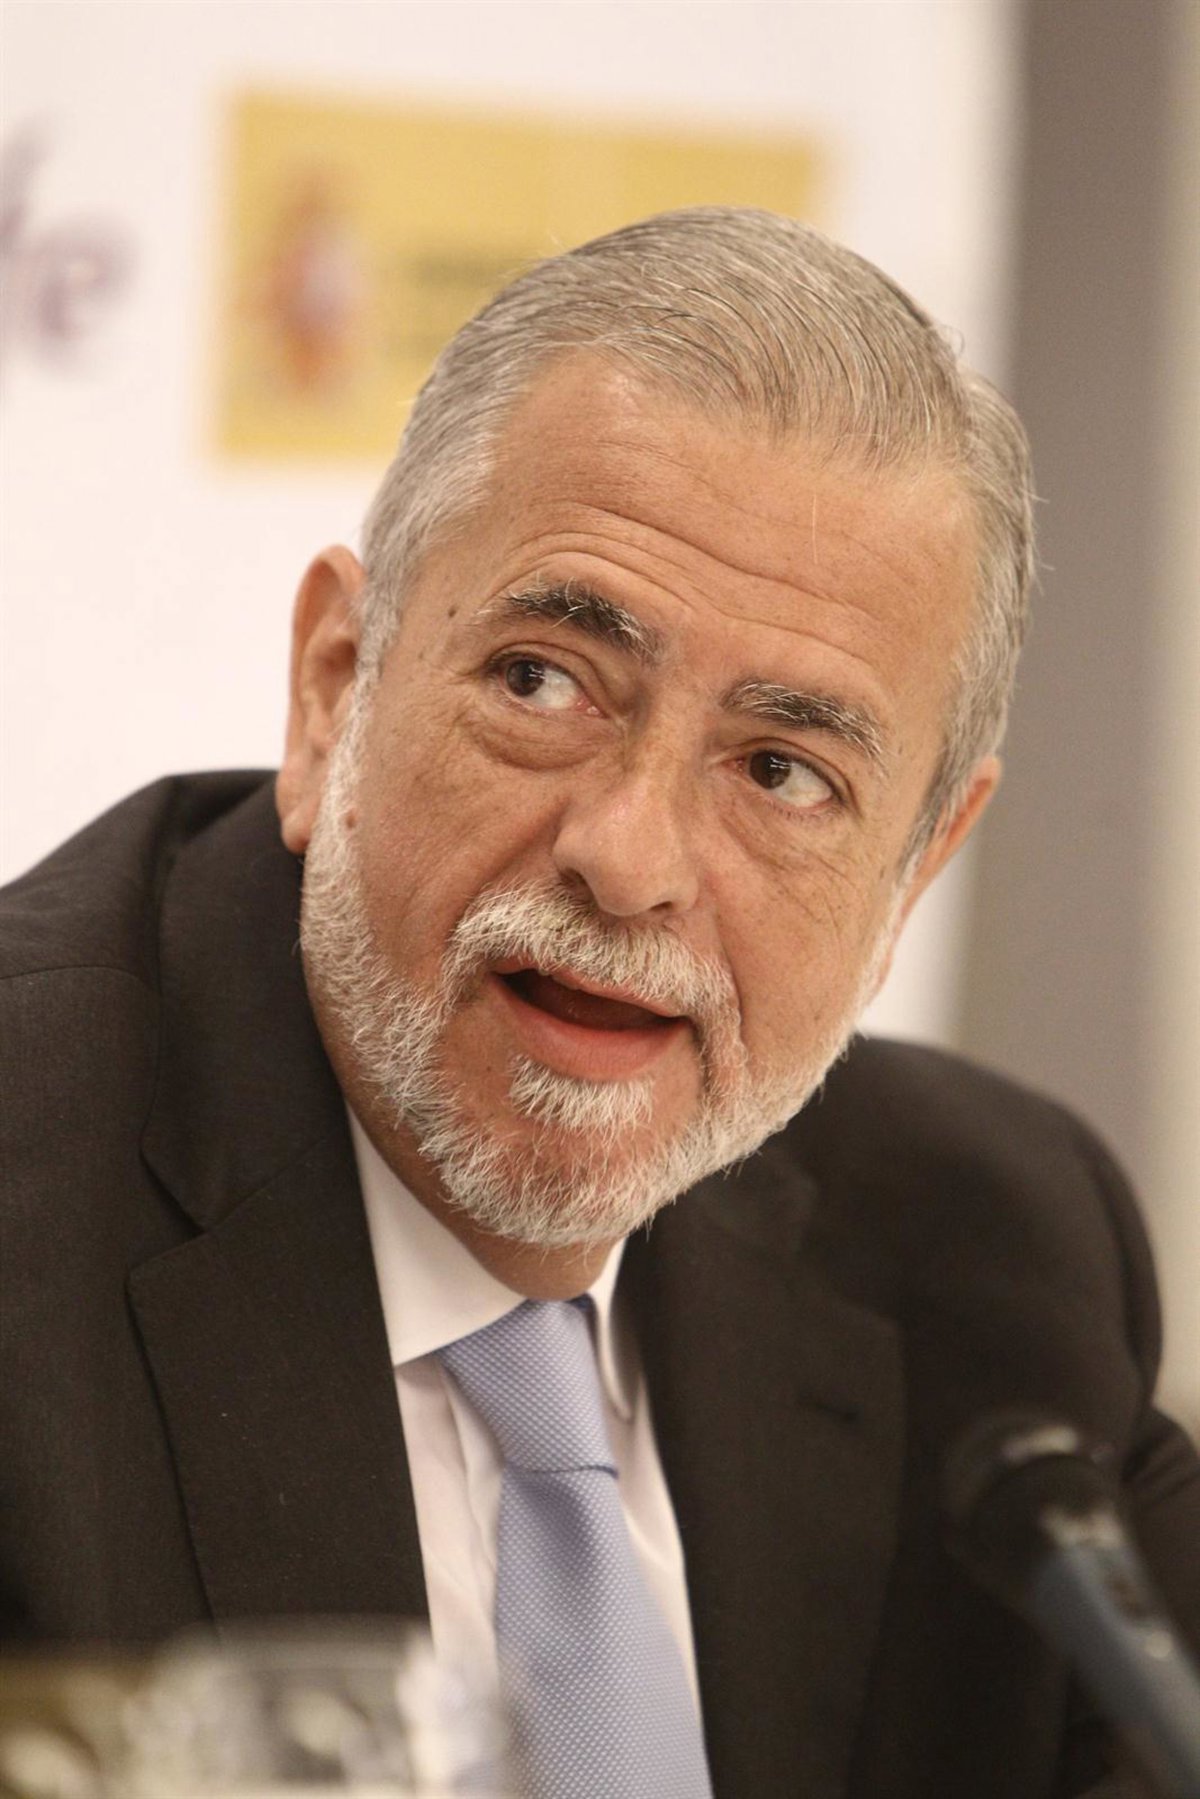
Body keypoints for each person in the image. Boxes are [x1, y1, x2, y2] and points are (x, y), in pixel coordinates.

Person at [2, 208, 1197, 1798]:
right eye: (542, 682)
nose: (629, 861)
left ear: (916, 868)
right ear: (333, 686)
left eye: (783, 771)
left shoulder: (994, 1261)